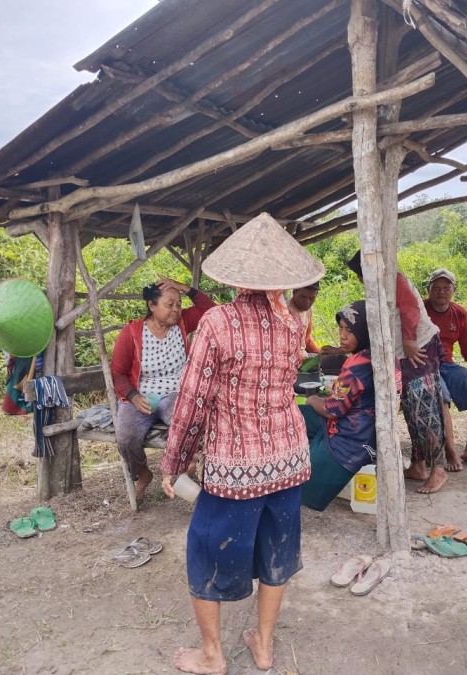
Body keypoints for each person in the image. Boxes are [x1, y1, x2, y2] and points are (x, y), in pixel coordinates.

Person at [160, 212, 323, 675]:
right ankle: (265, 644)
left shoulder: (218, 323)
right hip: (289, 459)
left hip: (237, 466)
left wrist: (175, 463)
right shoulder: (294, 323)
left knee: (205, 548)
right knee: (277, 548)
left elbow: (192, 401)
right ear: (282, 279)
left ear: (235, 277)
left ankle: (212, 656)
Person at [346, 251, 448, 495]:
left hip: (420, 347)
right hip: (405, 353)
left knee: (425, 411)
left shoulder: (394, 278)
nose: (361, 280)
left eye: (361, 274)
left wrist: (410, 340)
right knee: (412, 411)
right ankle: (418, 465)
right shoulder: (378, 285)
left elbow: (411, 307)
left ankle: (438, 469)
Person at [110, 277, 215, 500]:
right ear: (151, 306)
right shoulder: (131, 334)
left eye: (178, 304)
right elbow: (118, 373)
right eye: (169, 305)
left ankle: (185, 465)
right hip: (142, 397)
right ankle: (142, 473)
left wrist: (185, 288)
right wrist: (133, 396)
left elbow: (211, 310)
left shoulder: (183, 322)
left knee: (189, 420)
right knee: (125, 437)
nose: (176, 310)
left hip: (175, 394)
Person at [299, 300, 401, 511]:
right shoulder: (387, 356)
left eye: (350, 330)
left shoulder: (357, 364)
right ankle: (311, 454)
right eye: (341, 328)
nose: (342, 335)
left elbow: (331, 410)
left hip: (348, 441)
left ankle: (311, 468)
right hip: (372, 436)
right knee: (302, 417)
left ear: (365, 330)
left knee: (296, 415)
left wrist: (311, 398)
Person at [423, 269, 467, 471]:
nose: (441, 292)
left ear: (454, 290)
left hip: (447, 364)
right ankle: (451, 452)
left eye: (446, 288)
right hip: (425, 364)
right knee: (441, 398)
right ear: (428, 290)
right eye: (436, 288)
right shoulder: (420, 308)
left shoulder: (459, 313)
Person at [287, 282, 321, 358]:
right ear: (295, 291)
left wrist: (320, 353)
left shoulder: (308, 311)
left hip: (303, 355)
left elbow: (307, 338)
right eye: (303, 297)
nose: (307, 302)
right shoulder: (286, 312)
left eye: (312, 298)